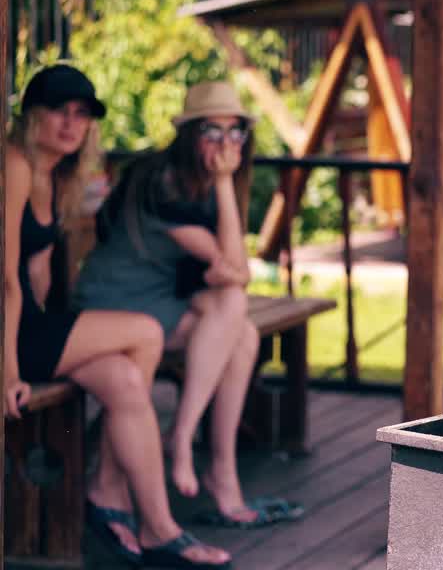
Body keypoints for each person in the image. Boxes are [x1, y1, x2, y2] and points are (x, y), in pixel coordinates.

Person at [4, 64, 231, 568]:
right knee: (146, 332)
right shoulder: (14, 164)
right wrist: (10, 371)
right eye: (59, 111)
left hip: (28, 326)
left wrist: (64, 333)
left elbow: (37, 274)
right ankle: (115, 493)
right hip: (9, 337)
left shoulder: (53, 175)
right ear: (31, 115)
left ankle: (152, 525)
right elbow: (6, 280)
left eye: (81, 114)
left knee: (127, 380)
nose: (71, 123)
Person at [75, 80, 296, 530]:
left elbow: (228, 270)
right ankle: (183, 437)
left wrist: (224, 187)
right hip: (112, 306)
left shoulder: (200, 181)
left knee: (242, 333)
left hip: (156, 304)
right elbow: (236, 270)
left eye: (235, 132)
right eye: (212, 131)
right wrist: (225, 181)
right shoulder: (163, 181)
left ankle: (220, 471)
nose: (225, 144)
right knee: (233, 305)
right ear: (190, 134)